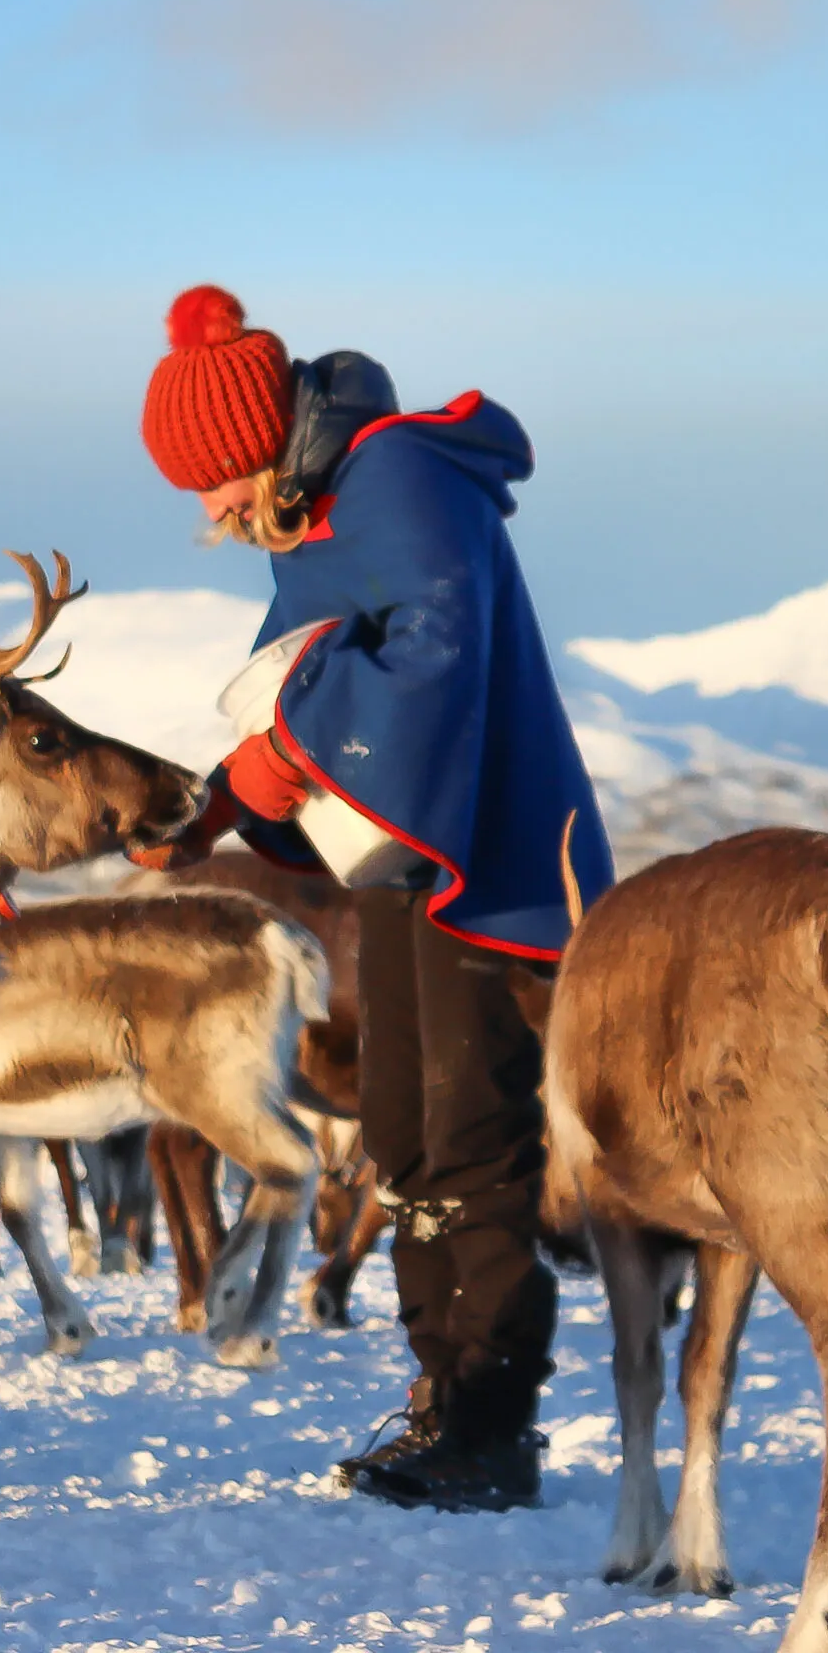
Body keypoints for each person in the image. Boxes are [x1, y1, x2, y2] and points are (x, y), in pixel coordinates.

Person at [131, 283, 612, 1513]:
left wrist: (281, 757)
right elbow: (295, 688)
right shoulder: (313, 515)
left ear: (261, 438)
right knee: (398, 1129)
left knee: (471, 1135)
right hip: (403, 858)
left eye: (217, 476)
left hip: (489, 860)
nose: (212, 507)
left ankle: (491, 1428)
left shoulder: (396, 478)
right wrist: (223, 812)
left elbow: (429, 653)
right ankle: (439, 1400)